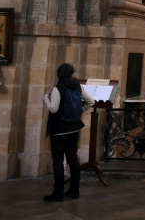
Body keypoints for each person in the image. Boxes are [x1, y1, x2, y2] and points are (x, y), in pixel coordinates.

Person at [43, 63, 95, 202]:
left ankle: (58, 193)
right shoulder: (78, 85)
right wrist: (79, 113)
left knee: (58, 160)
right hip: (74, 128)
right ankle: (74, 190)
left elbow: (53, 109)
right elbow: (91, 101)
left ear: (59, 73)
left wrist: (46, 99)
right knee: (73, 158)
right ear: (71, 73)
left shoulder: (58, 88)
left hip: (59, 129)